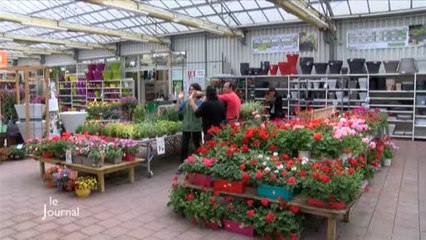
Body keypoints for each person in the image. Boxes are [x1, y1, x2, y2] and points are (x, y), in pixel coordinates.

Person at [176, 83, 203, 163]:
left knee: (198, 146)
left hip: (196, 127)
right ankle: (182, 164)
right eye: (190, 89)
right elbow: (177, 110)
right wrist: (178, 99)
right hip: (186, 127)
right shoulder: (186, 101)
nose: (191, 91)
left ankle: (200, 163)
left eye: (193, 89)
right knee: (184, 146)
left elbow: (197, 111)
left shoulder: (200, 102)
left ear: (197, 91)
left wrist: (191, 99)